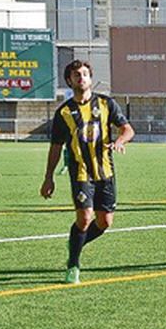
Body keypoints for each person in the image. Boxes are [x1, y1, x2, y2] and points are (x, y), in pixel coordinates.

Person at [40, 60, 135, 284]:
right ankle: (74, 264)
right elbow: (55, 147)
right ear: (69, 80)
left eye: (84, 74)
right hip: (81, 173)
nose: (81, 77)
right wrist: (48, 177)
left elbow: (128, 129)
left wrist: (121, 140)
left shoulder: (106, 104)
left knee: (105, 221)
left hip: (106, 172)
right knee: (84, 218)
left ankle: (75, 243)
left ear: (90, 78)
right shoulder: (63, 112)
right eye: (76, 75)